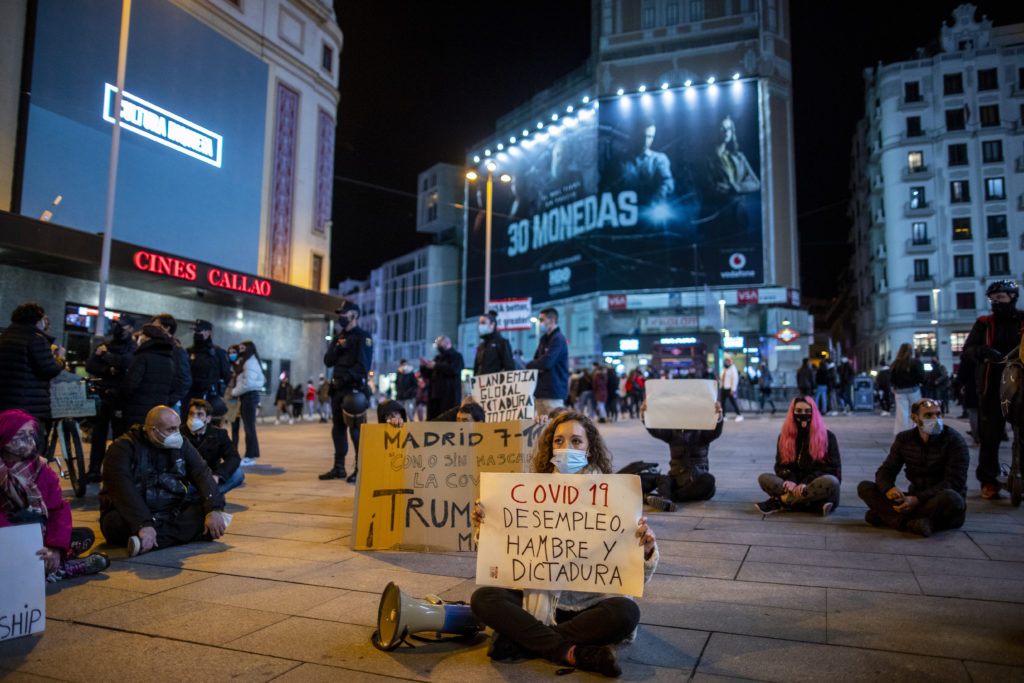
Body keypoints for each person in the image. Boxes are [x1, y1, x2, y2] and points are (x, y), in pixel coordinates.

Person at [470, 410, 659, 677]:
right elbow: (505, 554)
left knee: (626, 613)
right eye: (559, 441)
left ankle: (522, 641)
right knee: (483, 598)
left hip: (591, 608)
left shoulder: (615, 496)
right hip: (541, 601)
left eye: (576, 441)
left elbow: (631, 573)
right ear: (550, 447)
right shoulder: (530, 491)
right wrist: (487, 527)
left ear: (589, 450)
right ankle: (569, 651)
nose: (566, 448)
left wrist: (646, 548)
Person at [100, 406, 228, 556]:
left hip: (171, 510)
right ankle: (161, 535)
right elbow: (122, 489)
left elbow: (201, 472)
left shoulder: (181, 444)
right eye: (171, 429)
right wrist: (143, 523)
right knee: (114, 523)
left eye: (178, 428)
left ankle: (148, 541)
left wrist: (213, 509)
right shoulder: (123, 448)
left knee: (209, 512)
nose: (177, 434)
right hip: (136, 511)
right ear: (153, 431)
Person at [0, 409, 109, 580]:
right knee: (26, 518)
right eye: (20, 434)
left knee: (84, 535)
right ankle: (63, 568)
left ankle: (49, 562)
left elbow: (57, 509)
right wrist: (27, 544)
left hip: (37, 533)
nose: (28, 440)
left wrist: (55, 547)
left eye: (30, 434)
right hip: (9, 536)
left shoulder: (40, 468)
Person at [857, 398, 968, 536]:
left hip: (938, 501)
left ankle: (891, 518)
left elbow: (954, 482)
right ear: (915, 418)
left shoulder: (954, 441)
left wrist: (917, 500)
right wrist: (888, 489)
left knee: (951, 498)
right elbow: (886, 470)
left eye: (938, 414)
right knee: (865, 487)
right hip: (914, 497)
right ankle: (914, 523)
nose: (935, 419)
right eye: (928, 415)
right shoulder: (905, 439)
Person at [962, 280, 1024, 499]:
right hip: (992, 387)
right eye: (993, 299)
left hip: (1020, 385)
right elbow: (968, 349)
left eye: (1000, 298)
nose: (996, 303)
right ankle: (988, 480)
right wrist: (983, 350)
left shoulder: (1022, 320)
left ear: (1012, 297)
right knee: (990, 437)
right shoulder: (984, 323)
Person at [755, 397, 841, 517]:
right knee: (764, 479)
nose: (803, 414)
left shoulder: (828, 437)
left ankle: (783, 501)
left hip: (816, 485)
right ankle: (814, 505)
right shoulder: (784, 437)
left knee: (831, 482)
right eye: (799, 411)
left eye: (807, 411)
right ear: (792, 412)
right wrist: (791, 479)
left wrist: (806, 482)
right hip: (794, 486)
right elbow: (780, 466)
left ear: (814, 412)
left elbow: (833, 468)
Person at [322, 300, 372, 482]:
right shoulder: (339, 336)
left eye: (344, 314)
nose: (341, 317)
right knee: (338, 429)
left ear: (354, 315)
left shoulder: (362, 337)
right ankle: (339, 468)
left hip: (353, 390)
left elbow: (363, 366)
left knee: (355, 431)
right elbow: (327, 361)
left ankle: (360, 470)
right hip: (337, 390)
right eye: (340, 314)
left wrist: (347, 378)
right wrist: (336, 347)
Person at [642, 398, 723, 511]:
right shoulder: (673, 433)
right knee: (663, 479)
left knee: (709, 480)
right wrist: (645, 414)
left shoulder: (702, 432)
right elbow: (655, 429)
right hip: (677, 479)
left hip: (697, 480)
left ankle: (669, 498)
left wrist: (717, 415)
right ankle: (665, 499)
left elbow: (716, 431)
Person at [84, 314, 137, 482]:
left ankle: (116, 471)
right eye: (116, 324)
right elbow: (91, 365)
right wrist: (110, 369)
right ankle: (94, 470)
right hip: (103, 396)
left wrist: (106, 357)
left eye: (122, 325)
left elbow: (127, 363)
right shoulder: (106, 345)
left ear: (130, 328)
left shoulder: (132, 348)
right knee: (98, 436)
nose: (118, 328)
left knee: (119, 438)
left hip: (120, 398)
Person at [0, 303, 65, 420]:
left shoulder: (4, 337)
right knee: (29, 437)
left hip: (4, 404)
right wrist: (60, 358)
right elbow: (49, 370)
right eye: (43, 319)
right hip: (28, 406)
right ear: (37, 320)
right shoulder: (36, 339)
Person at [181, 399, 243, 494]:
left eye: (199, 414)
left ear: (208, 419)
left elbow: (233, 457)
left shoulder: (219, 434)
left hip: (209, 477)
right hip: (189, 479)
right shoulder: (181, 433)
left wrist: (218, 475)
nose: (194, 418)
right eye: (191, 414)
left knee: (238, 474)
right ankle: (207, 496)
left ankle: (211, 494)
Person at [121, 324, 177, 430]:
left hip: (136, 410)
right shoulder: (169, 359)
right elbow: (174, 386)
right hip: (158, 411)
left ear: (146, 338)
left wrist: (120, 403)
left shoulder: (142, 357)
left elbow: (130, 385)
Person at [618, 118, 674, 206]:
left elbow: (667, 182)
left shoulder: (659, 159)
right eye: (642, 136)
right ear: (635, 135)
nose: (645, 141)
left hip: (651, 213)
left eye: (650, 137)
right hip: (625, 214)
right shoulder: (619, 160)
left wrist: (657, 199)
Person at [184, 320, 231, 421]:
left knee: (211, 426)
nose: (196, 333)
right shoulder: (188, 352)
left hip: (210, 396)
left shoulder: (217, 353)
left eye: (199, 330)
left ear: (208, 332)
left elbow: (226, 375)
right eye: (195, 331)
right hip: (191, 396)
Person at [527, 308, 569, 417]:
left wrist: (530, 364)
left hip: (553, 392)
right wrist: (535, 364)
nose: (539, 323)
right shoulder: (544, 339)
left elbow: (547, 362)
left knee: (555, 425)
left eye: (542, 320)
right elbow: (537, 359)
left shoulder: (558, 338)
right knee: (543, 429)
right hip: (541, 391)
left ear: (552, 320)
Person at [230, 340, 264, 466]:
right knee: (248, 427)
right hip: (246, 396)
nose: (240, 350)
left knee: (249, 428)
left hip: (249, 396)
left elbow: (249, 383)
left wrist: (234, 391)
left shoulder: (250, 363)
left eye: (243, 348)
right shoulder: (246, 362)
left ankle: (250, 455)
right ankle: (250, 455)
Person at [150, 314, 191, 412]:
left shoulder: (177, 351)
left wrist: (169, 400)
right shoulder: (153, 348)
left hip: (167, 406)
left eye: (156, 327)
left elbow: (185, 381)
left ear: (166, 328)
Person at [420, 335, 464, 420]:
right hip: (435, 396)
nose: (438, 347)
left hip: (449, 396)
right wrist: (423, 366)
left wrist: (436, 365)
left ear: (447, 343)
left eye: (440, 345)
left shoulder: (456, 356)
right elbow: (428, 374)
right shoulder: (438, 358)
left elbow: (454, 369)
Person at [889, 343, 925, 435]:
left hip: (900, 391)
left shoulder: (895, 364)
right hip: (913, 390)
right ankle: (915, 432)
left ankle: (902, 433)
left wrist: (894, 386)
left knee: (901, 413)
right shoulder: (915, 362)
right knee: (915, 412)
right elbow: (921, 376)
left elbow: (892, 378)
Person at [473, 310, 514, 376]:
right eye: (480, 323)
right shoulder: (481, 346)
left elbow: (509, 367)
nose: (480, 326)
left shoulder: (502, 343)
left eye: (483, 323)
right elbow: (476, 368)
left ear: (493, 324)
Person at [720, 355, 743, 422]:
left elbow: (735, 379)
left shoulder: (733, 369)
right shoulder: (724, 369)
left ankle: (739, 415)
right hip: (723, 388)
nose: (726, 362)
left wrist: (733, 389)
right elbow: (722, 378)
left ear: (730, 362)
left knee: (733, 402)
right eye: (725, 361)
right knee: (723, 403)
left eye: (727, 361)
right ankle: (723, 416)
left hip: (729, 389)